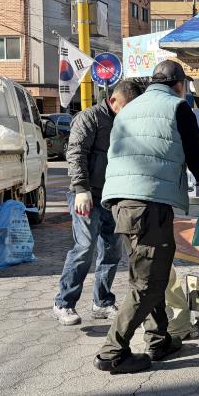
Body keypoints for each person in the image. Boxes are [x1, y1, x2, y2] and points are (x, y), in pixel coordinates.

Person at [93, 60, 199, 374]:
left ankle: (159, 339)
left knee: (151, 274)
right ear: (179, 84)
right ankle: (112, 352)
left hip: (121, 202)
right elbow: (196, 155)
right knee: (149, 282)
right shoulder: (177, 107)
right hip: (148, 204)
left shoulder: (129, 109)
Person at [53, 80, 143, 326]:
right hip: (87, 195)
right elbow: (75, 153)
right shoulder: (89, 118)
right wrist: (81, 189)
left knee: (112, 250)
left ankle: (102, 302)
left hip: (113, 196)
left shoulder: (127, 121)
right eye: (127, 107)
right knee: (84, 247)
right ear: (113, 101)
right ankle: (64, 303)